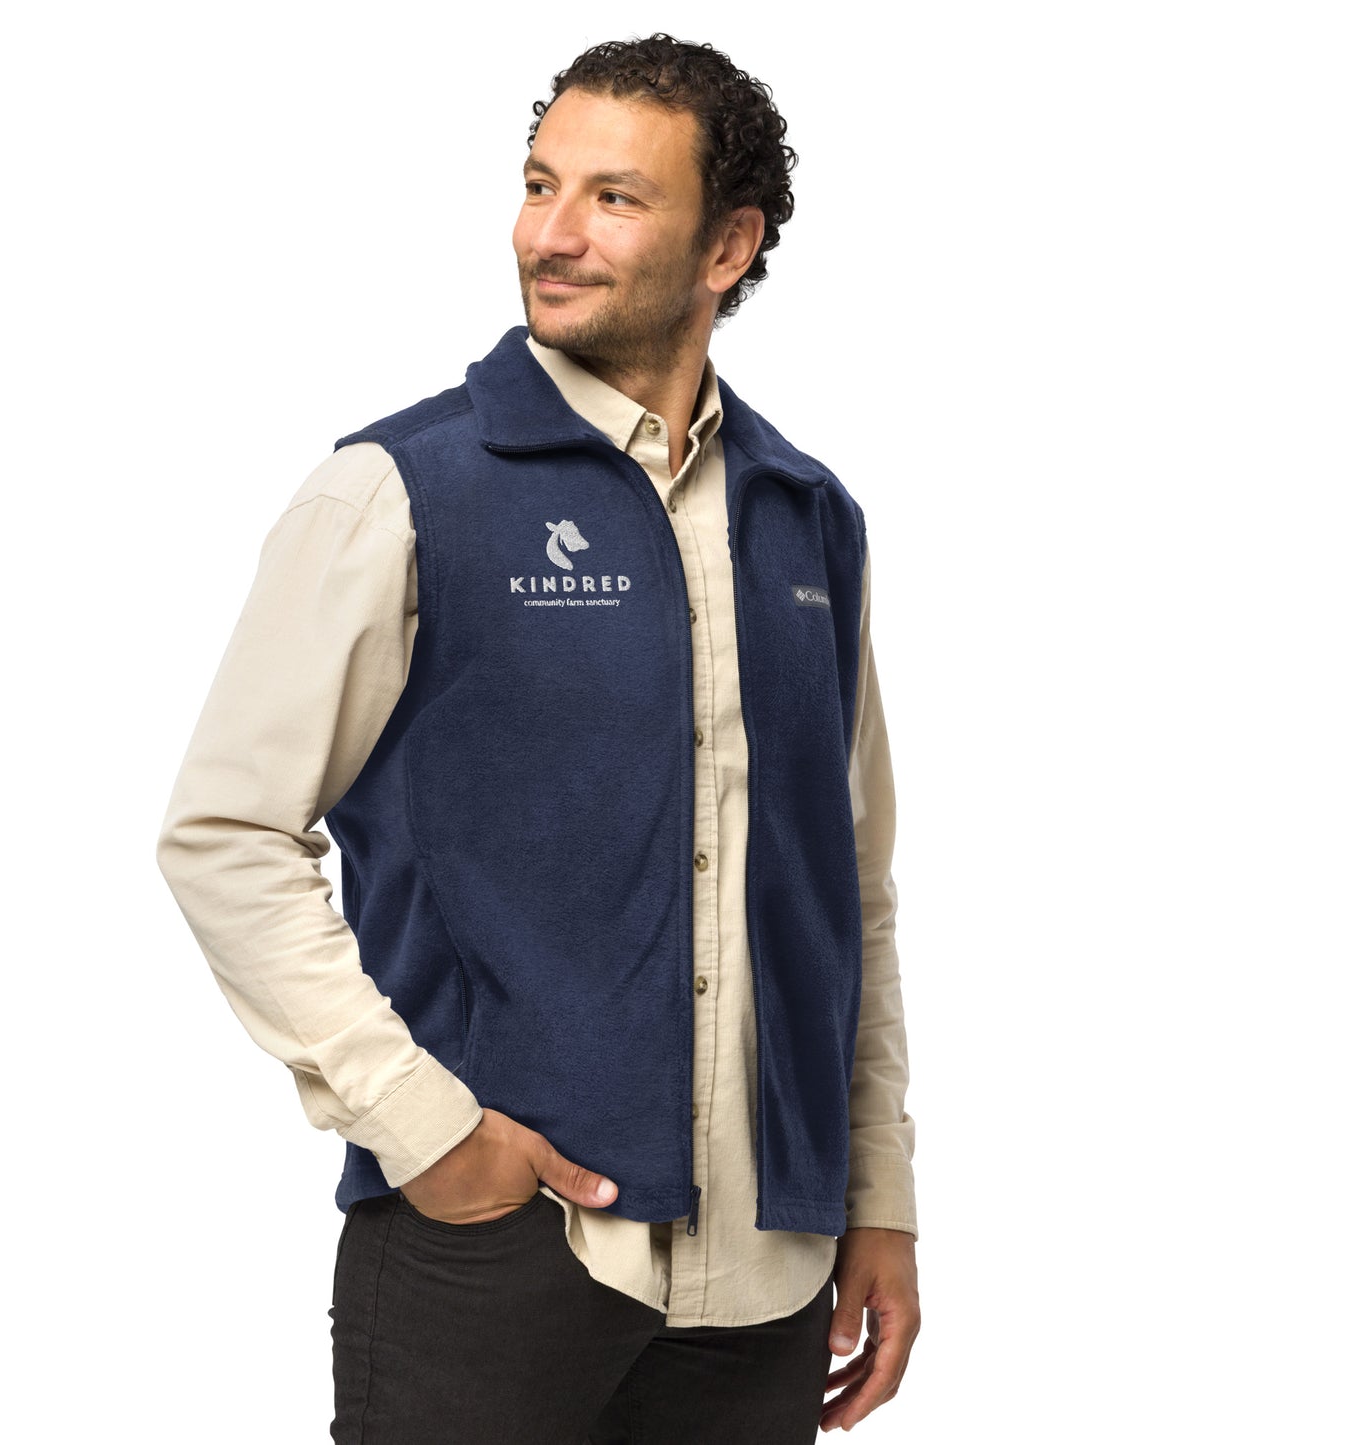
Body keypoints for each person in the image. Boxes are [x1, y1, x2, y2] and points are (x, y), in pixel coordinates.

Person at [156, 31, 920, 1443]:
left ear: (728, 246)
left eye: (613, 198)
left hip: (768, 1278)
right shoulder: (396, 489)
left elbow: (846, 891)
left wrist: (876, 1195)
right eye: (537, 184)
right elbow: (225, 832)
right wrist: (428, 1131)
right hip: (499, 1256)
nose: (549, 234)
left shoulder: (807, 519)